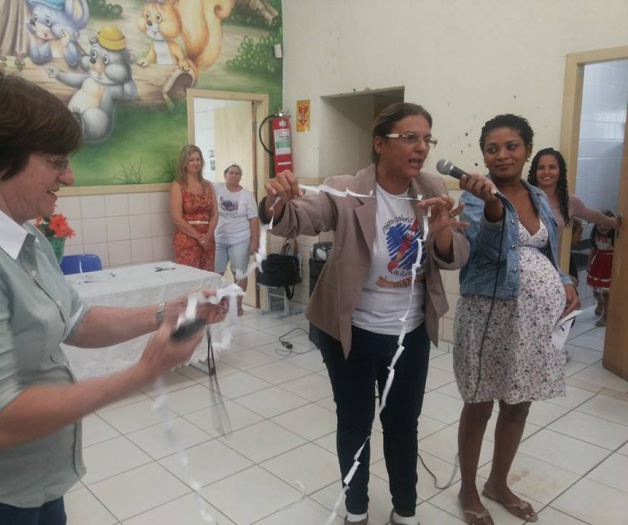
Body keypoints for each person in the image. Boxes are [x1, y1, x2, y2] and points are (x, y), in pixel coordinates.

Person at [0, 69, 227, 525]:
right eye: (55, 161)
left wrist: (169, 311)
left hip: (37, 483)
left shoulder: (23, 236)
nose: (68, 176)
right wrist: (141, 372)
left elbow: (76, 319)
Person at [262, 102, 472, 525]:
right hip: (352, 332)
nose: (421, 147)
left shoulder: (431, 188)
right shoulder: (346, 189)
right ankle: (356, 508)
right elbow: (297, 219)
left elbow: (454, 256)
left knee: (403, 423)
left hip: (410, 334)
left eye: (426, 139)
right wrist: (277, 203)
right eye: (409, 137)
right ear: (379, 143)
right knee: (355, 423)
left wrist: (443, 235)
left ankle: (405, 510)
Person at [453, 115, 580, 525]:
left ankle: (498, 483)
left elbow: (546, 249)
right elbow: (488, 251)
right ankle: (468, 488)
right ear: (483, 155)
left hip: (533, 323)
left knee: (518, 404)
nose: (502, 155)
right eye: (492, 149)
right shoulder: (475, 197)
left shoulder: (537, 195)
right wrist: (492, 206)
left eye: (512, 146)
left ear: (526, 149)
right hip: (488, 314)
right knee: (479, 404)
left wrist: (564, 281)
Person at [527, 147, 618, 281]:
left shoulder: (569, 201)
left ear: (560, 171)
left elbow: (591, 214)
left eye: (552, 167)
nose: (546, 172)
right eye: (541, 168)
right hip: (521, 265)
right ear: (535, 171)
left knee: (572, 284)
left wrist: (614, 223)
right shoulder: (524, 196)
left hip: (547, 265)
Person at [214, 162, 259, 314]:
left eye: (237, 173)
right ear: (224, 175)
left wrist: (254, 242)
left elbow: (254, 219)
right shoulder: (217, 189)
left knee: (239, 273)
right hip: (219, 238)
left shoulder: (247, 196)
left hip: (240, 239)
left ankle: (237, 306)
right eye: (231, 173)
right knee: (216, 273)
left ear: (240, 177)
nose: (234, 175)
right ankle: (215, 306)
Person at [170, 145, 218, 271]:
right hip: (187, 240)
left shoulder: (208, 185)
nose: (195, 163)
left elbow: (215, 213)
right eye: (191, 160)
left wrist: (208, 236)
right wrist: (199, 237)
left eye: (198, 159)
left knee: (208, 276)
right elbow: (177, 218)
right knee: (189, 277)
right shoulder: (178, 185)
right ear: (184, 163)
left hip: (208, 239)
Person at [587, 211, 616, 327]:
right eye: (599, 224)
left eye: (606, 224)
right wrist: (589, 263)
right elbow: (594, 249)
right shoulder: (596, 236)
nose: (602, 227)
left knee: (606, 292)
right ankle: (600, 302)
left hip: (610, 266)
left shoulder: (616, 237)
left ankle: (605, 316)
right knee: (596, 290)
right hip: (599, 265)